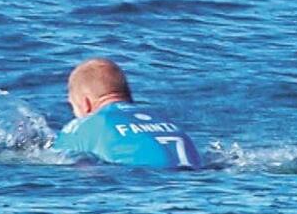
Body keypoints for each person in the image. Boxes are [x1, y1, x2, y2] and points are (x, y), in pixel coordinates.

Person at [53, 58, 201, 169]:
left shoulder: (88, 124)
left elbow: (54, 158)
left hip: (143, 182)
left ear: (86, 104)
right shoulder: (163, 120)